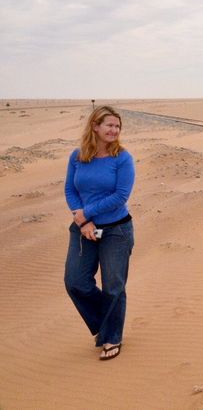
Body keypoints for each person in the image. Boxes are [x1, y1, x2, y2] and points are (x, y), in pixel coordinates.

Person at [64, 105, 135, 361]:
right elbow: (71, 190)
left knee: (113, 286)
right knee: (75, 282)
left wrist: (87, 212)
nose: (114, 130)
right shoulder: (77, 156)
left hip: (116, 230)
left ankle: (112, 336)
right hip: (83, 228)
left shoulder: (123, 158)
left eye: (117, 126)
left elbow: (120, 196)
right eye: (109, 125)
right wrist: (82, 221)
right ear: (95, 126)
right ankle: (106, 324)